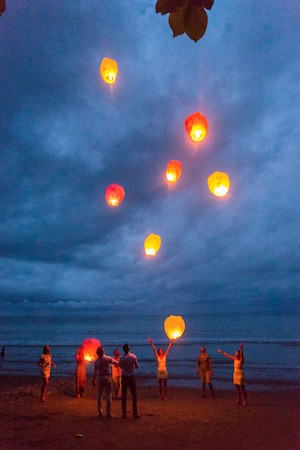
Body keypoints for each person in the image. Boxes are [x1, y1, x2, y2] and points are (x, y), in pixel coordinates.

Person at [93, 346, 119, 418]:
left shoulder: (96, 361)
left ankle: (100, 412)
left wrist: (94, 380)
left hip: (100, 377)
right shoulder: (107, 358)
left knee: (100, 395)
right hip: (107, 377)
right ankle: (108, 412)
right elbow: (116, 363)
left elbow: (95, 372)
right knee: (108, 395)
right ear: (103, 352)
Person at [119, 343, 140, 419]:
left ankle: (124, 413)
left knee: (124, 395)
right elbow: (137, 366)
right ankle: (135, 413)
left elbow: (121, 366)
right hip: (131, 376)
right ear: (129, 348)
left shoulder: (121, 358)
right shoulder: (133, 357)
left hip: (124, 376)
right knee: (134, 395)